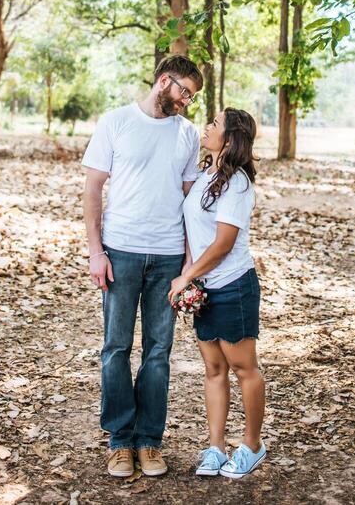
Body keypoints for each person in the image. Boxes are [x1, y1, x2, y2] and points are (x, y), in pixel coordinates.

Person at [82, 55, 203, 479]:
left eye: (192, 96)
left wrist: (189, 262)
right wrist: (96, 252)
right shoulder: (115, 122)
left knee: (158, 352)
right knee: (115, 348)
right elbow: (93, 190)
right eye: (184, 91)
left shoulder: (187, 134)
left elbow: (190, 202)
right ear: (164, 81)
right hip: (121, 252)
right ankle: (120, 440)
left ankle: (149, 440)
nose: (187, 101)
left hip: (168, 255)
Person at [169, 108, 266, 479]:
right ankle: (215, 447)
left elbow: (223, 244)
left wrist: (186, 276)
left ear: (230, 138)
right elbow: (195, 233)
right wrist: (188, 276)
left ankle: (253, 446)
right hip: (205, 288)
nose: (207, 127)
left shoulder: (237, 183)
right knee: (213, 369)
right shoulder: (206, 174)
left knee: (244, 369)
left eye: (215, 124)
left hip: (233, 287)